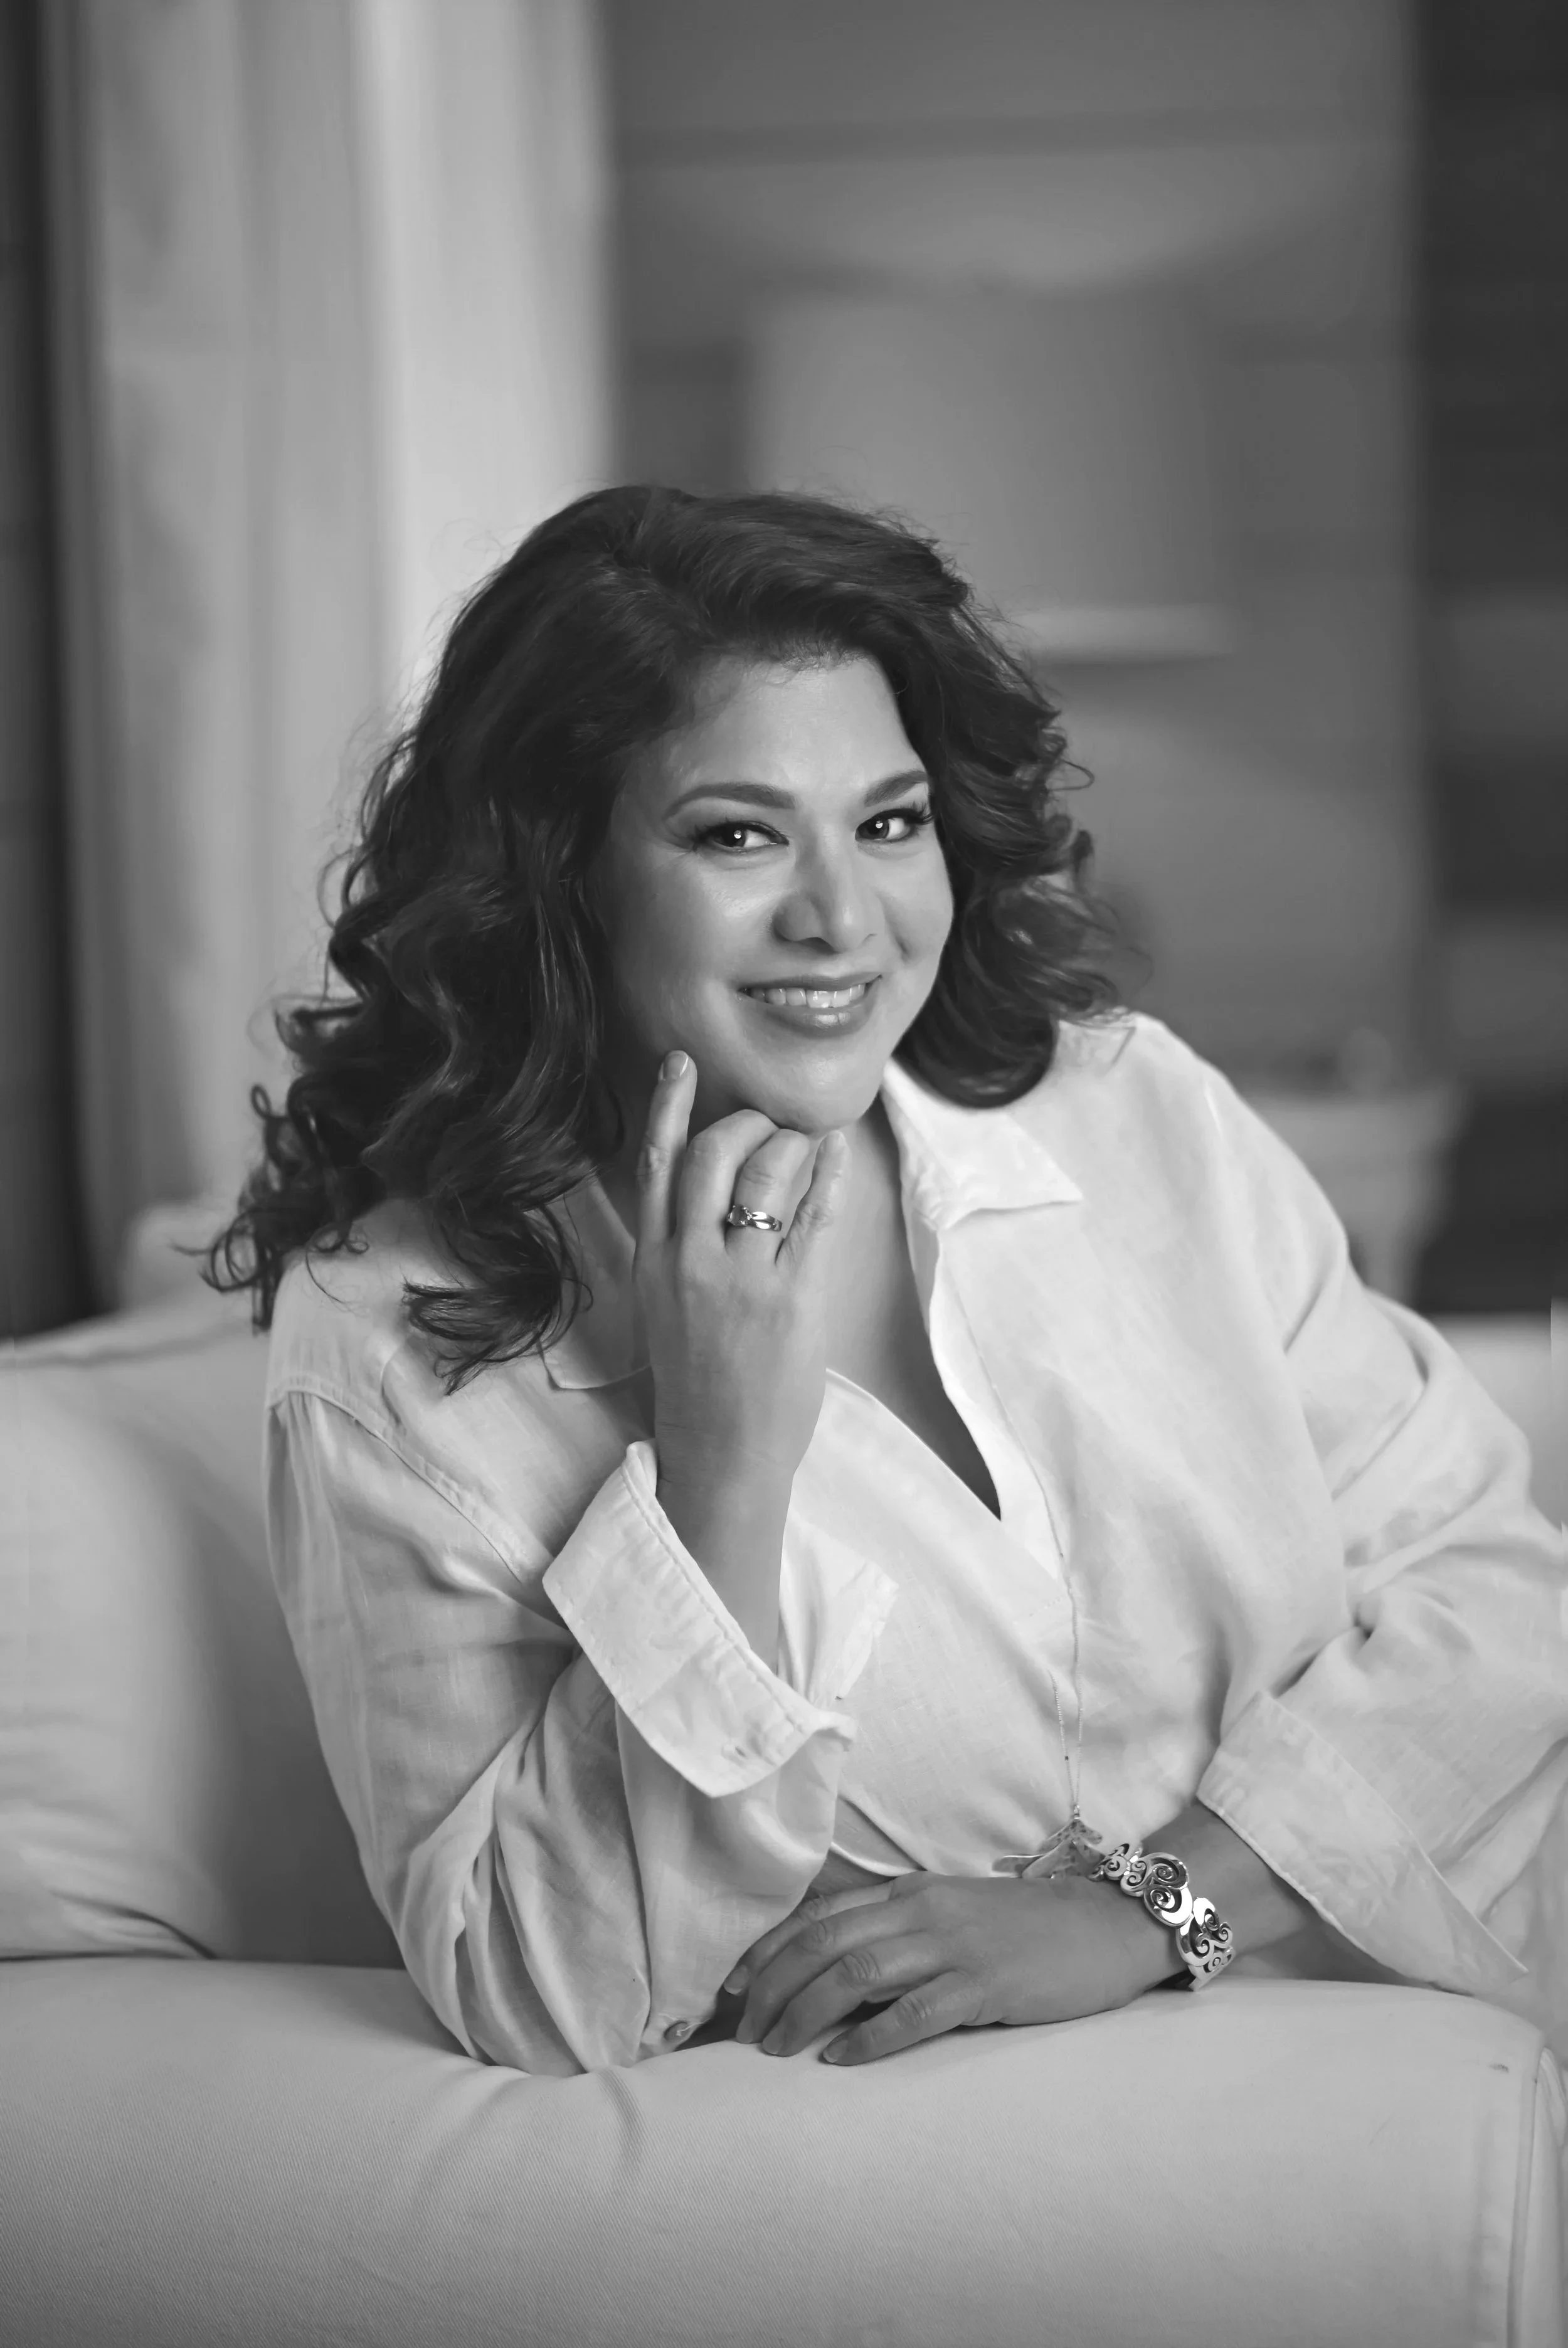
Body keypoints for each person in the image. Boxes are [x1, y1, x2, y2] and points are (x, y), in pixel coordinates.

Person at [206, 485, 1566, 2078]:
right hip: (1091, 2195)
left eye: (887, 821)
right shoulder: (387, 1352)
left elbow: (1498, 1584)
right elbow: (539, 1988)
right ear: (555, 870)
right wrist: (718, 1479)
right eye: (735, 833)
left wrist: (1153, 1907)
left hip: (1470, 2032)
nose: (841, 918)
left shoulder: (1125, 1113)